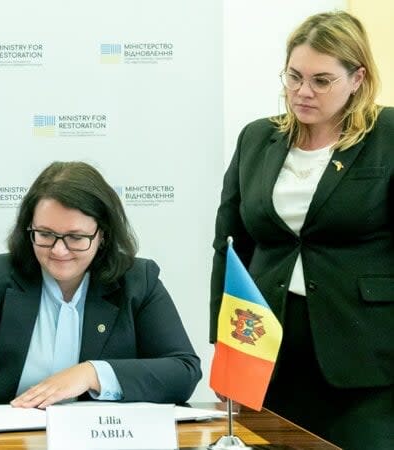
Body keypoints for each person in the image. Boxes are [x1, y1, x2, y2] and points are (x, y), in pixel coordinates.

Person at [211, 11, 392, 449]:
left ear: (357, 78)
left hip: (366, 355)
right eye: (293, 76)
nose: (302, 91)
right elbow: (230, 248)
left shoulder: (388, 135)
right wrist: (223, 346)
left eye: (321, 80)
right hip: (270, 351)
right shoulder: (257, 138)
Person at [0, 161, 201, 416]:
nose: (59, 250)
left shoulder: (138, 280)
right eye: (45, 235)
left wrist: (91, 374)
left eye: (76, 237)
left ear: (102, 234)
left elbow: (183, 370)